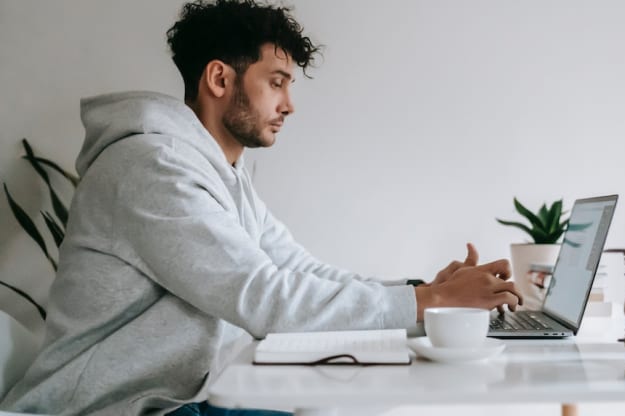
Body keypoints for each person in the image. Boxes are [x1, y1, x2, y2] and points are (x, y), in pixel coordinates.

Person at [0, 1, 521, 415]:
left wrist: (421, 293)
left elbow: (299, 271)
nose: (289, 104)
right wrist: (427, 302)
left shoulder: (223, 177)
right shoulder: (152, 167)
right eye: (276, 82)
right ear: (221, 80)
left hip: (183, 397)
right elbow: (264, 298)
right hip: (120, 407)